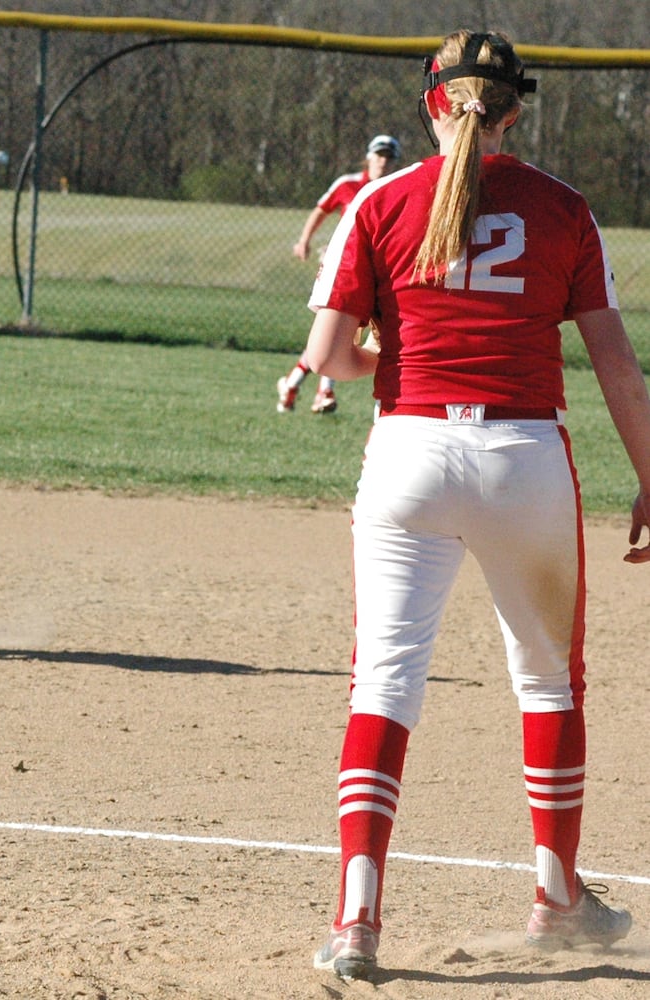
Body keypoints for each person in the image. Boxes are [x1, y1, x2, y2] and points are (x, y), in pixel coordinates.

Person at [304, 30, 649, 980]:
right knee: (547, 683)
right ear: (512, 111)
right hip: (523, 456)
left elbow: (332, 359)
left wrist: (403, 365)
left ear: (431, 105)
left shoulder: (379, 202)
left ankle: (356, 921)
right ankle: (555, 897)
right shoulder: (562, 209)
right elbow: (615, 366)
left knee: (383, 682)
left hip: (408, 451)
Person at [277, 133, 401, 415]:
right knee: (338, 333)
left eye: (389, 156)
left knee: (337, 337)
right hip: (343, 266)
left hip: (377, 270)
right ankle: (322, 391)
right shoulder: (348, 185)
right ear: (368, 156)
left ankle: (294, 383)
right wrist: (304, 240)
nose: (383, 161)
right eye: (379, 154)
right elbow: (321, 210)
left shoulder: (394, 187)